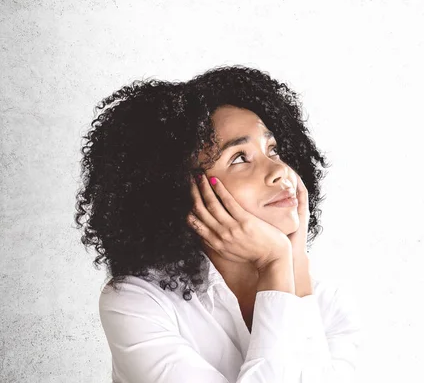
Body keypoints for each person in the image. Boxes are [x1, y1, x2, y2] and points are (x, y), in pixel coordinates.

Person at [75, 65, 362, 382]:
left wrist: (292, 264)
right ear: (180, 189)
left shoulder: (329, 303)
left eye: (273, 149)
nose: (280, 170)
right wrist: (275, 263)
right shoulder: (136, 303)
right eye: (240, 157)